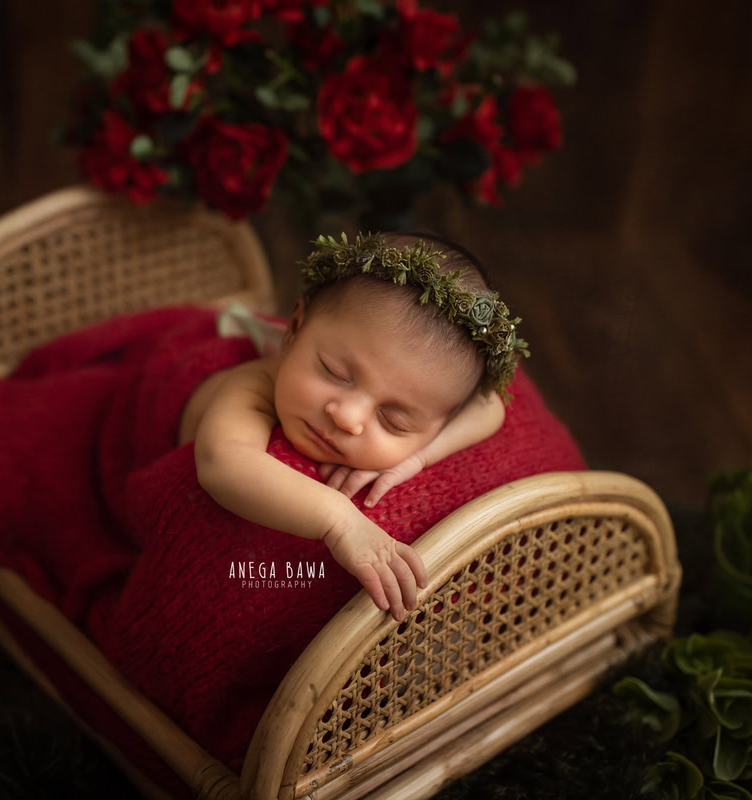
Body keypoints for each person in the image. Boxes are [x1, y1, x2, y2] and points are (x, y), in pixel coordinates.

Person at [178, 231, 528, 622]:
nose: (347, 417)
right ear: (294, 330)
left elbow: (489, 405)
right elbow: (221, 462)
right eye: (334, 372)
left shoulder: (424, 396)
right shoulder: (254, 384)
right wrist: (340, 522)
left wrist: (416, 460)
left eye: (393, 420)